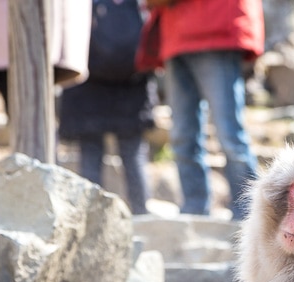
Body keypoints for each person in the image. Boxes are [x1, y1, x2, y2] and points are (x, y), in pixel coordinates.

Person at [142, 0, 265, 220]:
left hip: (216, 28)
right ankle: (194, 207)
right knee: (182, 134)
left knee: (229, 134)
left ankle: (248, 214)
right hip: (175, 34)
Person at [58, 0, 156, 215]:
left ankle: (90, 217)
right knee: (133, 154)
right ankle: (142, 214)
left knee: (91, 155)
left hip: (87, 87)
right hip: (133, 86)